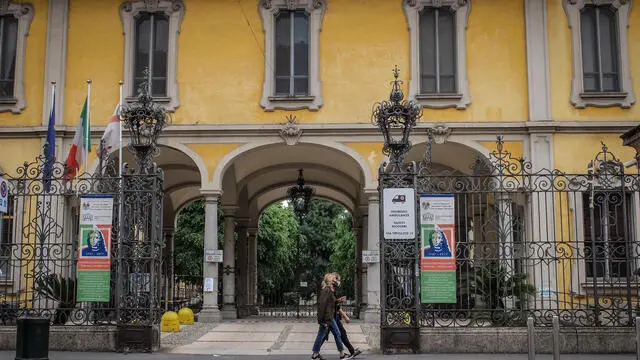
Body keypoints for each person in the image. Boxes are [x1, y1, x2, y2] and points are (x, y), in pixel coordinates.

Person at [324, 273, 362, 359]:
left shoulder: (333, 290)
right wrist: (345, 316)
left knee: (340, 333)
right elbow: (335, 306)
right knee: (330, 335)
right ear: (333, 280)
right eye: (337, 279)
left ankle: (351, 351)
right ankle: (316, 352)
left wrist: (339, 300)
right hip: (332, 316)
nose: (339, 281)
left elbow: (335, 304)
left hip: (334, 316)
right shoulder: (330, 290)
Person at [311, 273, 348, 360]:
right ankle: (342, 354)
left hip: (329, 317)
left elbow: (330, 303)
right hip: (327, 318)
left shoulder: (330, 290)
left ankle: (315, 354)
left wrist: (338, 300)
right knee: (337, 334)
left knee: (321, 335)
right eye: (334, 279)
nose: (336, 281)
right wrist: (322, 320)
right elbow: (322, 305)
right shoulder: (326, 290)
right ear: (330, 281)